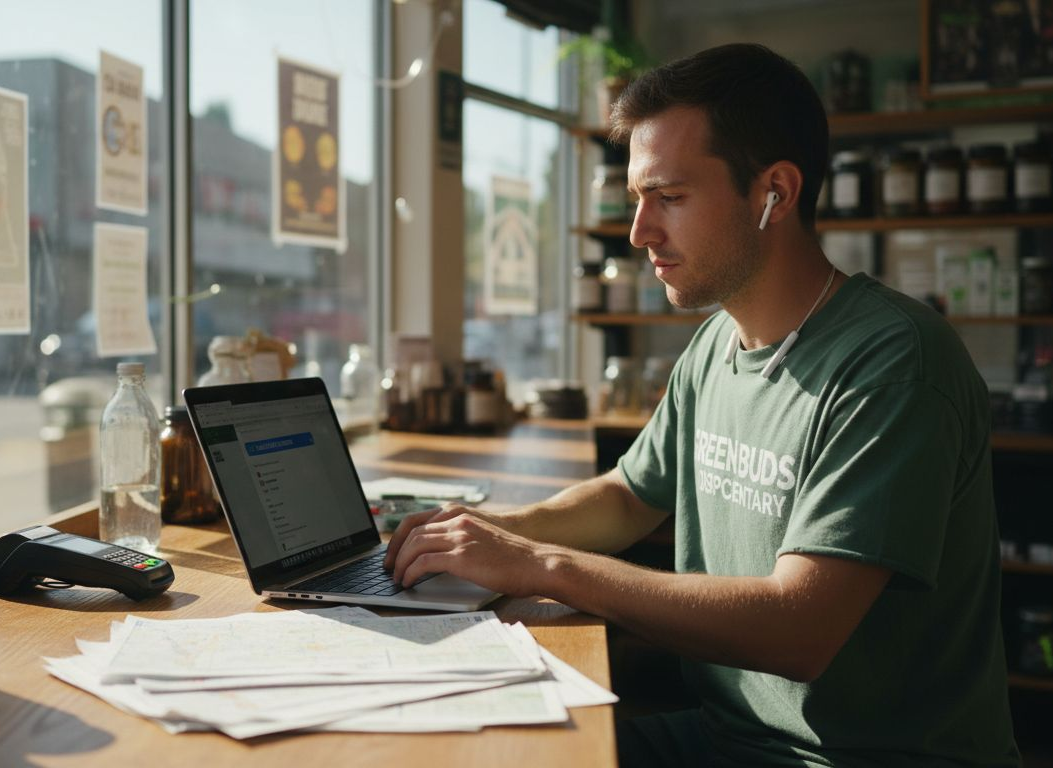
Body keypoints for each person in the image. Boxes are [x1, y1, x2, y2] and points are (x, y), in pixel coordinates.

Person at [384, 43, 1019, 767]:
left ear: (773, 192)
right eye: (637, 200)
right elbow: (630, 495)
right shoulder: (719, 340)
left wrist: (542, 564)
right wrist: (476, 533)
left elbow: (799, 629)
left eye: (670, 198)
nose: (639, 231)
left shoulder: (895, 361)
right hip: (730, 740)